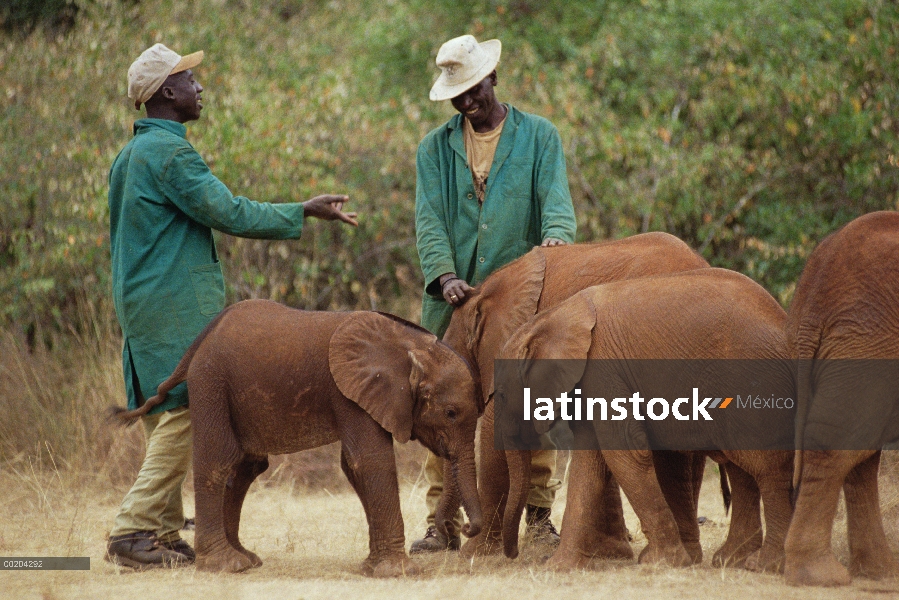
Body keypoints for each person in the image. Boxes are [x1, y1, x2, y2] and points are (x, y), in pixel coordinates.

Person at [105, 43, 358, 569]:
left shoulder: (130, 155)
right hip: (174, 302)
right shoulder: (170, 154)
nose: (200, 88)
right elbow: (229, 211)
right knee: (186, 410)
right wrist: (302, 211)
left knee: (167, 407)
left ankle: (161, 531)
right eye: (191, 80)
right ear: (167, 93)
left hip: (141, 300)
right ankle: (132, 531)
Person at [412, 34, 576, 552]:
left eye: (474, 89)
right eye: (457, 95)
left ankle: (537, 513)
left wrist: (555, 247)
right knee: (444, 409)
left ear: (493, 78)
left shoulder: (540, 137)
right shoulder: (433, 149)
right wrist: (443, 275)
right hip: (451, 302)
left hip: (522, 299)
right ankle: (442, 522)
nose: (467, 102)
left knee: (532, 403)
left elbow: (556, 204)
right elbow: (429, 221)